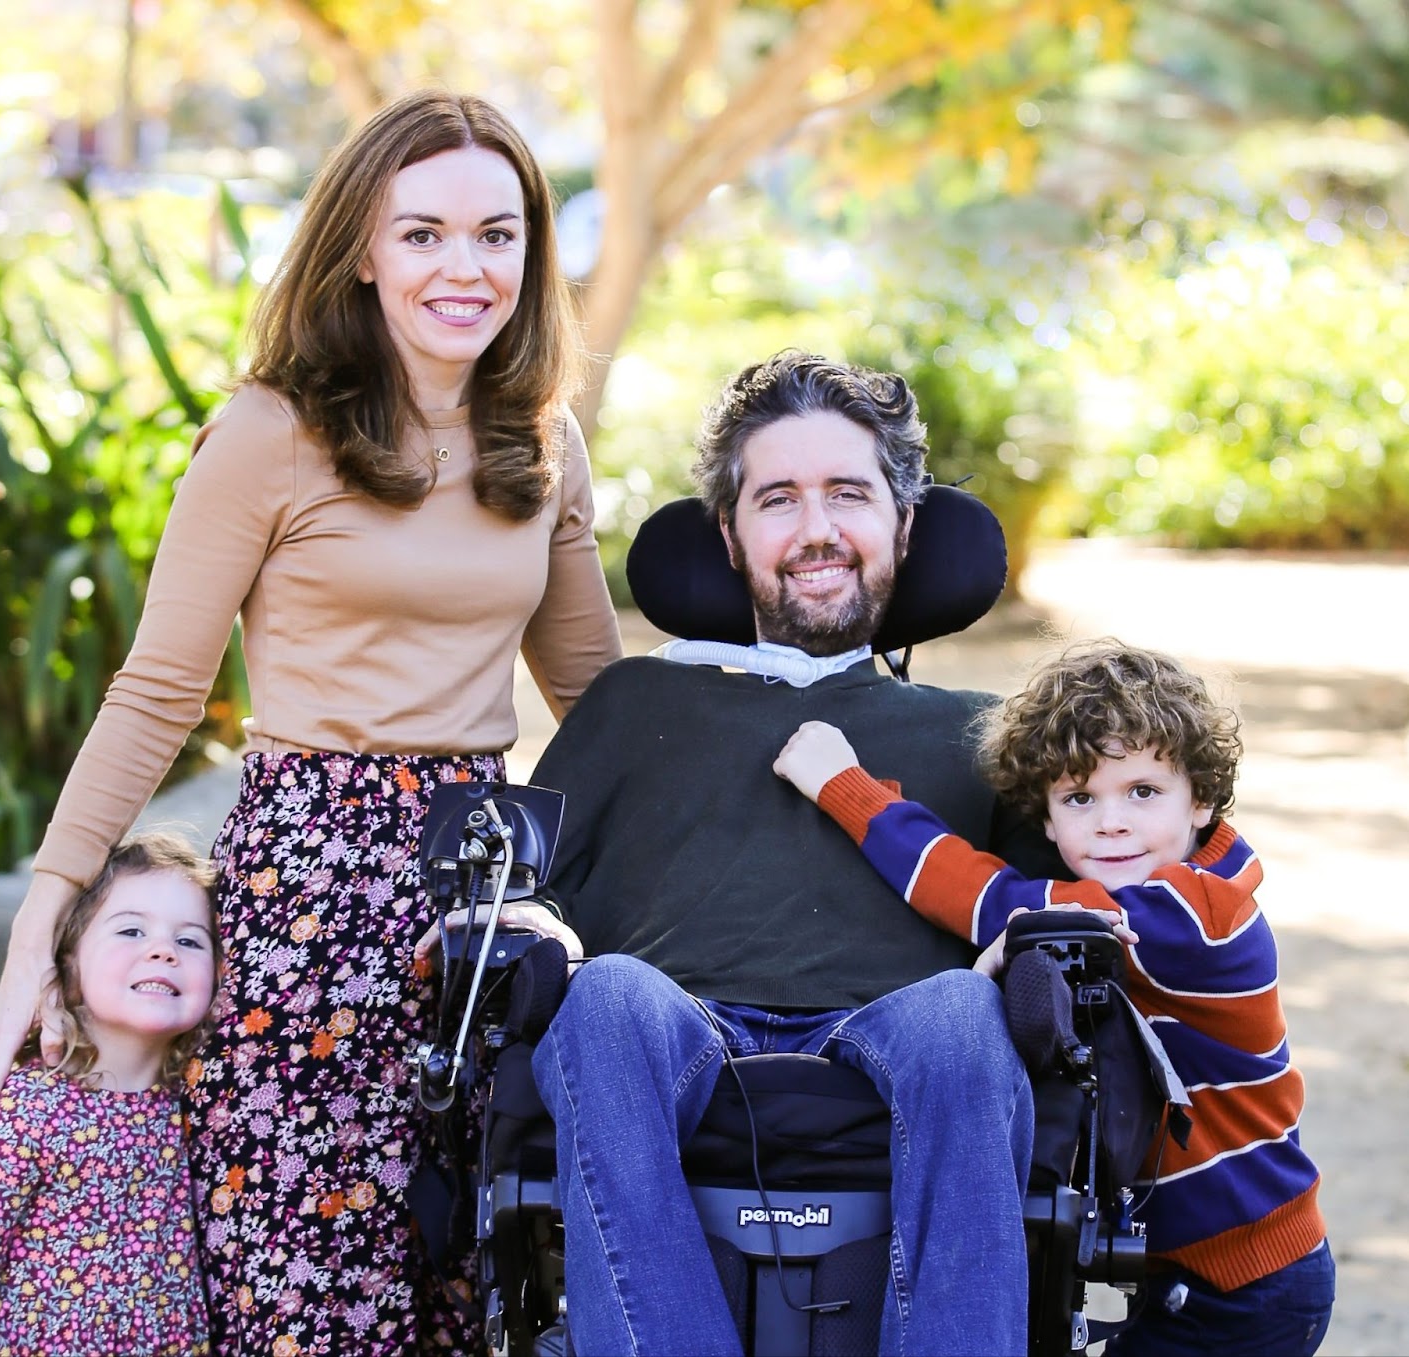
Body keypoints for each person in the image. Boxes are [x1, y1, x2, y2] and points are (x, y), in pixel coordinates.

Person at [0, 89, 621, 1355]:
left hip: (483, 888)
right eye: (422, 233)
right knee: (308, 1266)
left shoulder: (540, 438)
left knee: (475, 1261)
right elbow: (158, 689)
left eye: (497, 235)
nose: (464, 267)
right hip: (308, 884)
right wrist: (37, 926)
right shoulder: (270, 431)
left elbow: (598, 700)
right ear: (362, 249)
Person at [525, 350, 1063, 1357]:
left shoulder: (985, 734)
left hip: (903, 1032)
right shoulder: (635, 704)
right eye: (777, 499)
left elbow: (1074, 894)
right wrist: (525, 914)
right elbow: (529, 878)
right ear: (727, 537)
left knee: (963, 1012)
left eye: (848, 494)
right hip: (674, 1030)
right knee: (600, 998)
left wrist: (1026, 936)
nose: (816, 530)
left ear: (905, 522)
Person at [775, 640, 1335, 1357]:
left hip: (1248, 1279)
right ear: (1044, 818)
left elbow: (987, 896)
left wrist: (847, 788)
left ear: (1199, 798)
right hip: (1191, 1268)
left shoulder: (1191, 914)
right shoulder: (1157, 893)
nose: (1111, 822)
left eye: (1142, 791)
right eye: (1079, 798)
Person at [0, 834, 219, 1356]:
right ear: (68, 964)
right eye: (131, 930)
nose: (163, 950)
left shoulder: (203, 1106)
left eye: (191, 941)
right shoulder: (30, 1105)